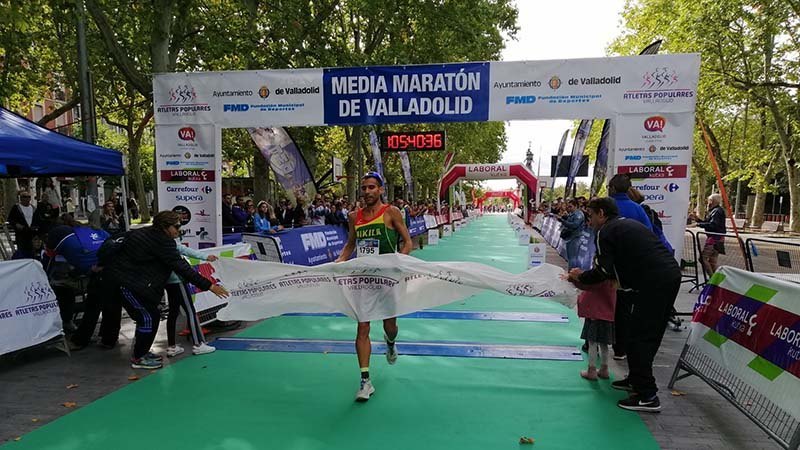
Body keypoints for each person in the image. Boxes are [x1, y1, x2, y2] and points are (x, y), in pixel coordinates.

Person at [565, 198, 681, 413]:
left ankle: (647, 395)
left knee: (641, 336)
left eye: (590, 216)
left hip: (654, 283)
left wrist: (579, 277)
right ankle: (636, 380)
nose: (589, 221)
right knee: (635, 331)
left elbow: (603, 271)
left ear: (601, 213)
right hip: (662, 277)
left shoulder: (606, 231)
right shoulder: (623, 224)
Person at [105, 211, 229, 370]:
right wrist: (210, 286)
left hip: (133, 283)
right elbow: (182, 267)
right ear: (164, 227)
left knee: (150, 316)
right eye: (176, 226)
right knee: (149, 317)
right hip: (125, 283)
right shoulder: (162, 242)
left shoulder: (146, 234)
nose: (180, 229)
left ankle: (141, 352)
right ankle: (138, 357)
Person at [335, 172, 413, 402]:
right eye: (364, 188)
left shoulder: (391, 212)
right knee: (362, 328)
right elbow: (350, 245)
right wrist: (339, 262)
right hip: (364, 280)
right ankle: (365, 381)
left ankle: (390, 343)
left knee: (390, 325)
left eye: (371, 187)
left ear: (380, 190)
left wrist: (400, 260)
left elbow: (407, 242)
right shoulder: (353, 216)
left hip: (388, 279)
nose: (367, 191)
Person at [43, 214, 119, 348]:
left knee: (93, 305)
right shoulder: (93, 230)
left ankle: (80, 340)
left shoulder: (59, 234)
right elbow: (112, 242)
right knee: (111, 304)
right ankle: (108, 339)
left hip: (99, 270)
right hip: (114, 266)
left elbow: (50, 255)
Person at [165, 244, 218, 357]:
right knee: (190, 311)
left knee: (173, 313)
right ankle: (198, 344)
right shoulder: (166, 241)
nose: (178, 230)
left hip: (169, 281)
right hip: (178, 281)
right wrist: (206, 256)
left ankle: (172, 347)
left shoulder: (156, 241)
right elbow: (185, 250)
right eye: (176, 226)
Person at [575, 280, 616, 381]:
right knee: (604, 343)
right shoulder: (613, 279)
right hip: (607, 315)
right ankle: (604, 369)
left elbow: (588, 288)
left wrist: (573, 278)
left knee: (592, 343)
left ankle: (591, 370)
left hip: (595, 314)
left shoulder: (599, 278)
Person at [691, 193, 726, 276]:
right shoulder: (717, 210)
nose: (708, 203)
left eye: (709, 201)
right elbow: (709, 223)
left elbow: (713, 225)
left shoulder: (716, 211)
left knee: (703, 258)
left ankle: (712, 279)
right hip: (718, 239)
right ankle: (715, 280)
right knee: (712, 261)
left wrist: (698, 224)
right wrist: (698, 220)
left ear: (712, 201)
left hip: (713, 239)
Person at [7, 191, 37, 258]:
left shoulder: (33, 208)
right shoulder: (16, 208)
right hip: (21, 233)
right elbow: (10, 219)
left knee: (32, 251)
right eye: (24, 197)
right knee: (22, 251)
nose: (26, 198)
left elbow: (38, 219)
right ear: (21, 198)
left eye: (28, 197)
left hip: (32, 233)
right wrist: (16, 225)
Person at [558, 199, 586, 269]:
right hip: (570, 237)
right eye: (568, 207)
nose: (569, 208)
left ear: (576, 206)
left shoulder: (578, 214)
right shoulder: (572, 214)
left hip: (575, 237)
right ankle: (571, 272)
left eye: (570, 207)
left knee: (573, 258)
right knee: (570, 257)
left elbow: (574, 225)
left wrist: (563, 221)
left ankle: (571, 274)